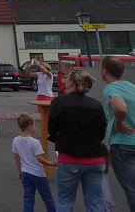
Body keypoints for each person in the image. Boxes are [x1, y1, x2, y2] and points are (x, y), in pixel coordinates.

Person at [48, 69, 107, 212]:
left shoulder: (59, 102)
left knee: (65, 202)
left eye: (67, 78)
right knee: (95, 203)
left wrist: (61, 140)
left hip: (69, 158)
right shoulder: (96, 105)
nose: (64, 80)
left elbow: (52, 129)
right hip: (95, 159)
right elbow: (101, 133)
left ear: (72, 82)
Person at [100, 56, 135, 210]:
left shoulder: (111, 88)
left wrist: (119, 123)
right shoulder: (132, 87)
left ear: (105, 71)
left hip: (122, 144)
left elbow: (120, 108)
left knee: (132, 190)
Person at [12, 113, 57, 212]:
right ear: (30, 126)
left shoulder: (16, 140)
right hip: (38, 173)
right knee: (47, 197)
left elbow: (16, 157)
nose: (35, 127)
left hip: (25, 172)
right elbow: (39, 158)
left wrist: (20, 171)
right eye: (34, 125)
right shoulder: (35, 142)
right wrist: (52, 163)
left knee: (28, 197)